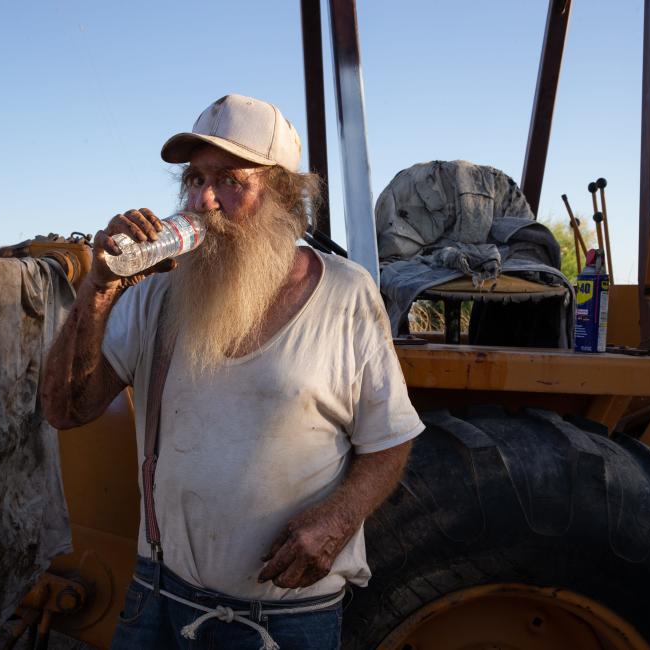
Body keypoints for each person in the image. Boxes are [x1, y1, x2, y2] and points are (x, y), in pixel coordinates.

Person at [42, 94, 424, 650]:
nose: (204, 202)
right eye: (195, 180)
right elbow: (64, 410)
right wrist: (97, 291)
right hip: (160, 598)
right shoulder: (155, 293)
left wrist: (337, 522)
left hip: (288, 618)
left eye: (230, 182)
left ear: (284, 196)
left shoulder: (344, 292)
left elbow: (390, 440)